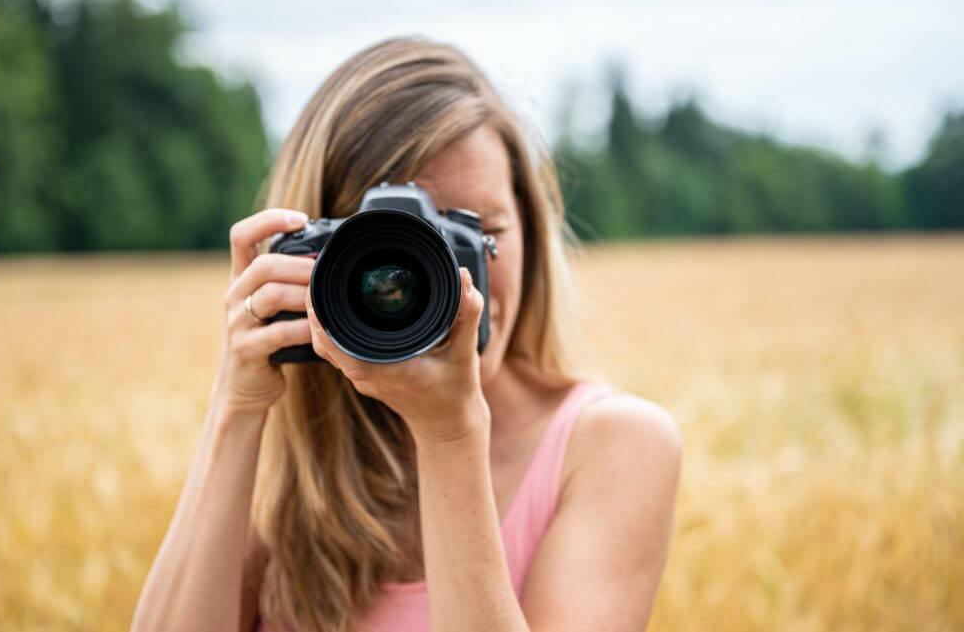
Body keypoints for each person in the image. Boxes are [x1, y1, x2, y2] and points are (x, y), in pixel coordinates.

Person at [131, 35, 682, 632]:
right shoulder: (288, 456)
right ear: (313, 255)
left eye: (474, 231)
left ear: (530, 230)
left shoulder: (613, 445)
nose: (448, 284)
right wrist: (234, 411)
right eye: (390, 251)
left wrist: (449, 434)